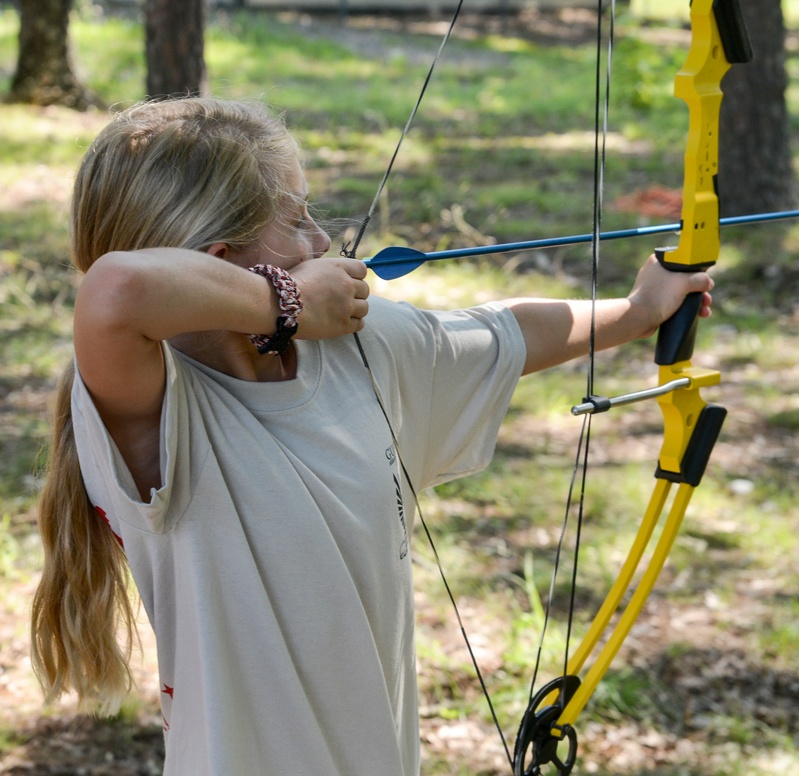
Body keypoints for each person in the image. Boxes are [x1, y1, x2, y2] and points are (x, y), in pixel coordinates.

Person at [30, 97, 713, 775]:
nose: (321, 244)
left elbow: (499, 332)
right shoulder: (157, 412)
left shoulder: (359, 349)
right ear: (220, 257)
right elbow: (115, 291)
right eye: (296, 220)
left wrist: (636, 311)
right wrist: (285, 302)